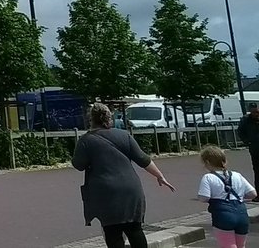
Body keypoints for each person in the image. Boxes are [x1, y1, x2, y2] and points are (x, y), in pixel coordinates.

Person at [73, 102, 176, 248]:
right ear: (109, 118)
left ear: (91, 120)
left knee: (113, 232)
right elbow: (143, 159)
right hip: (131, 189)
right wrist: (160, 176)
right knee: (135, 229)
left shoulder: (86, 140)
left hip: (105, 192)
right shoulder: (124, 135)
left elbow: (78, 165)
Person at [197, 145, 257, 248]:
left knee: (228, 245)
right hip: (242, 213)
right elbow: (253, 194)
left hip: (222, 215)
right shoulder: (237, 175)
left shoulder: (208, 177)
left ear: (207, 162)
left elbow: (204, 197)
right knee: (241, 246)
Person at [237, 104, 259, 186]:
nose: (255, 114)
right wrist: (247, 141)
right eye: (253, 112)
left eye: (257, 112)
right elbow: (240, 131)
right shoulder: (246, 120)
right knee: (257, 171)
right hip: (255, 149)